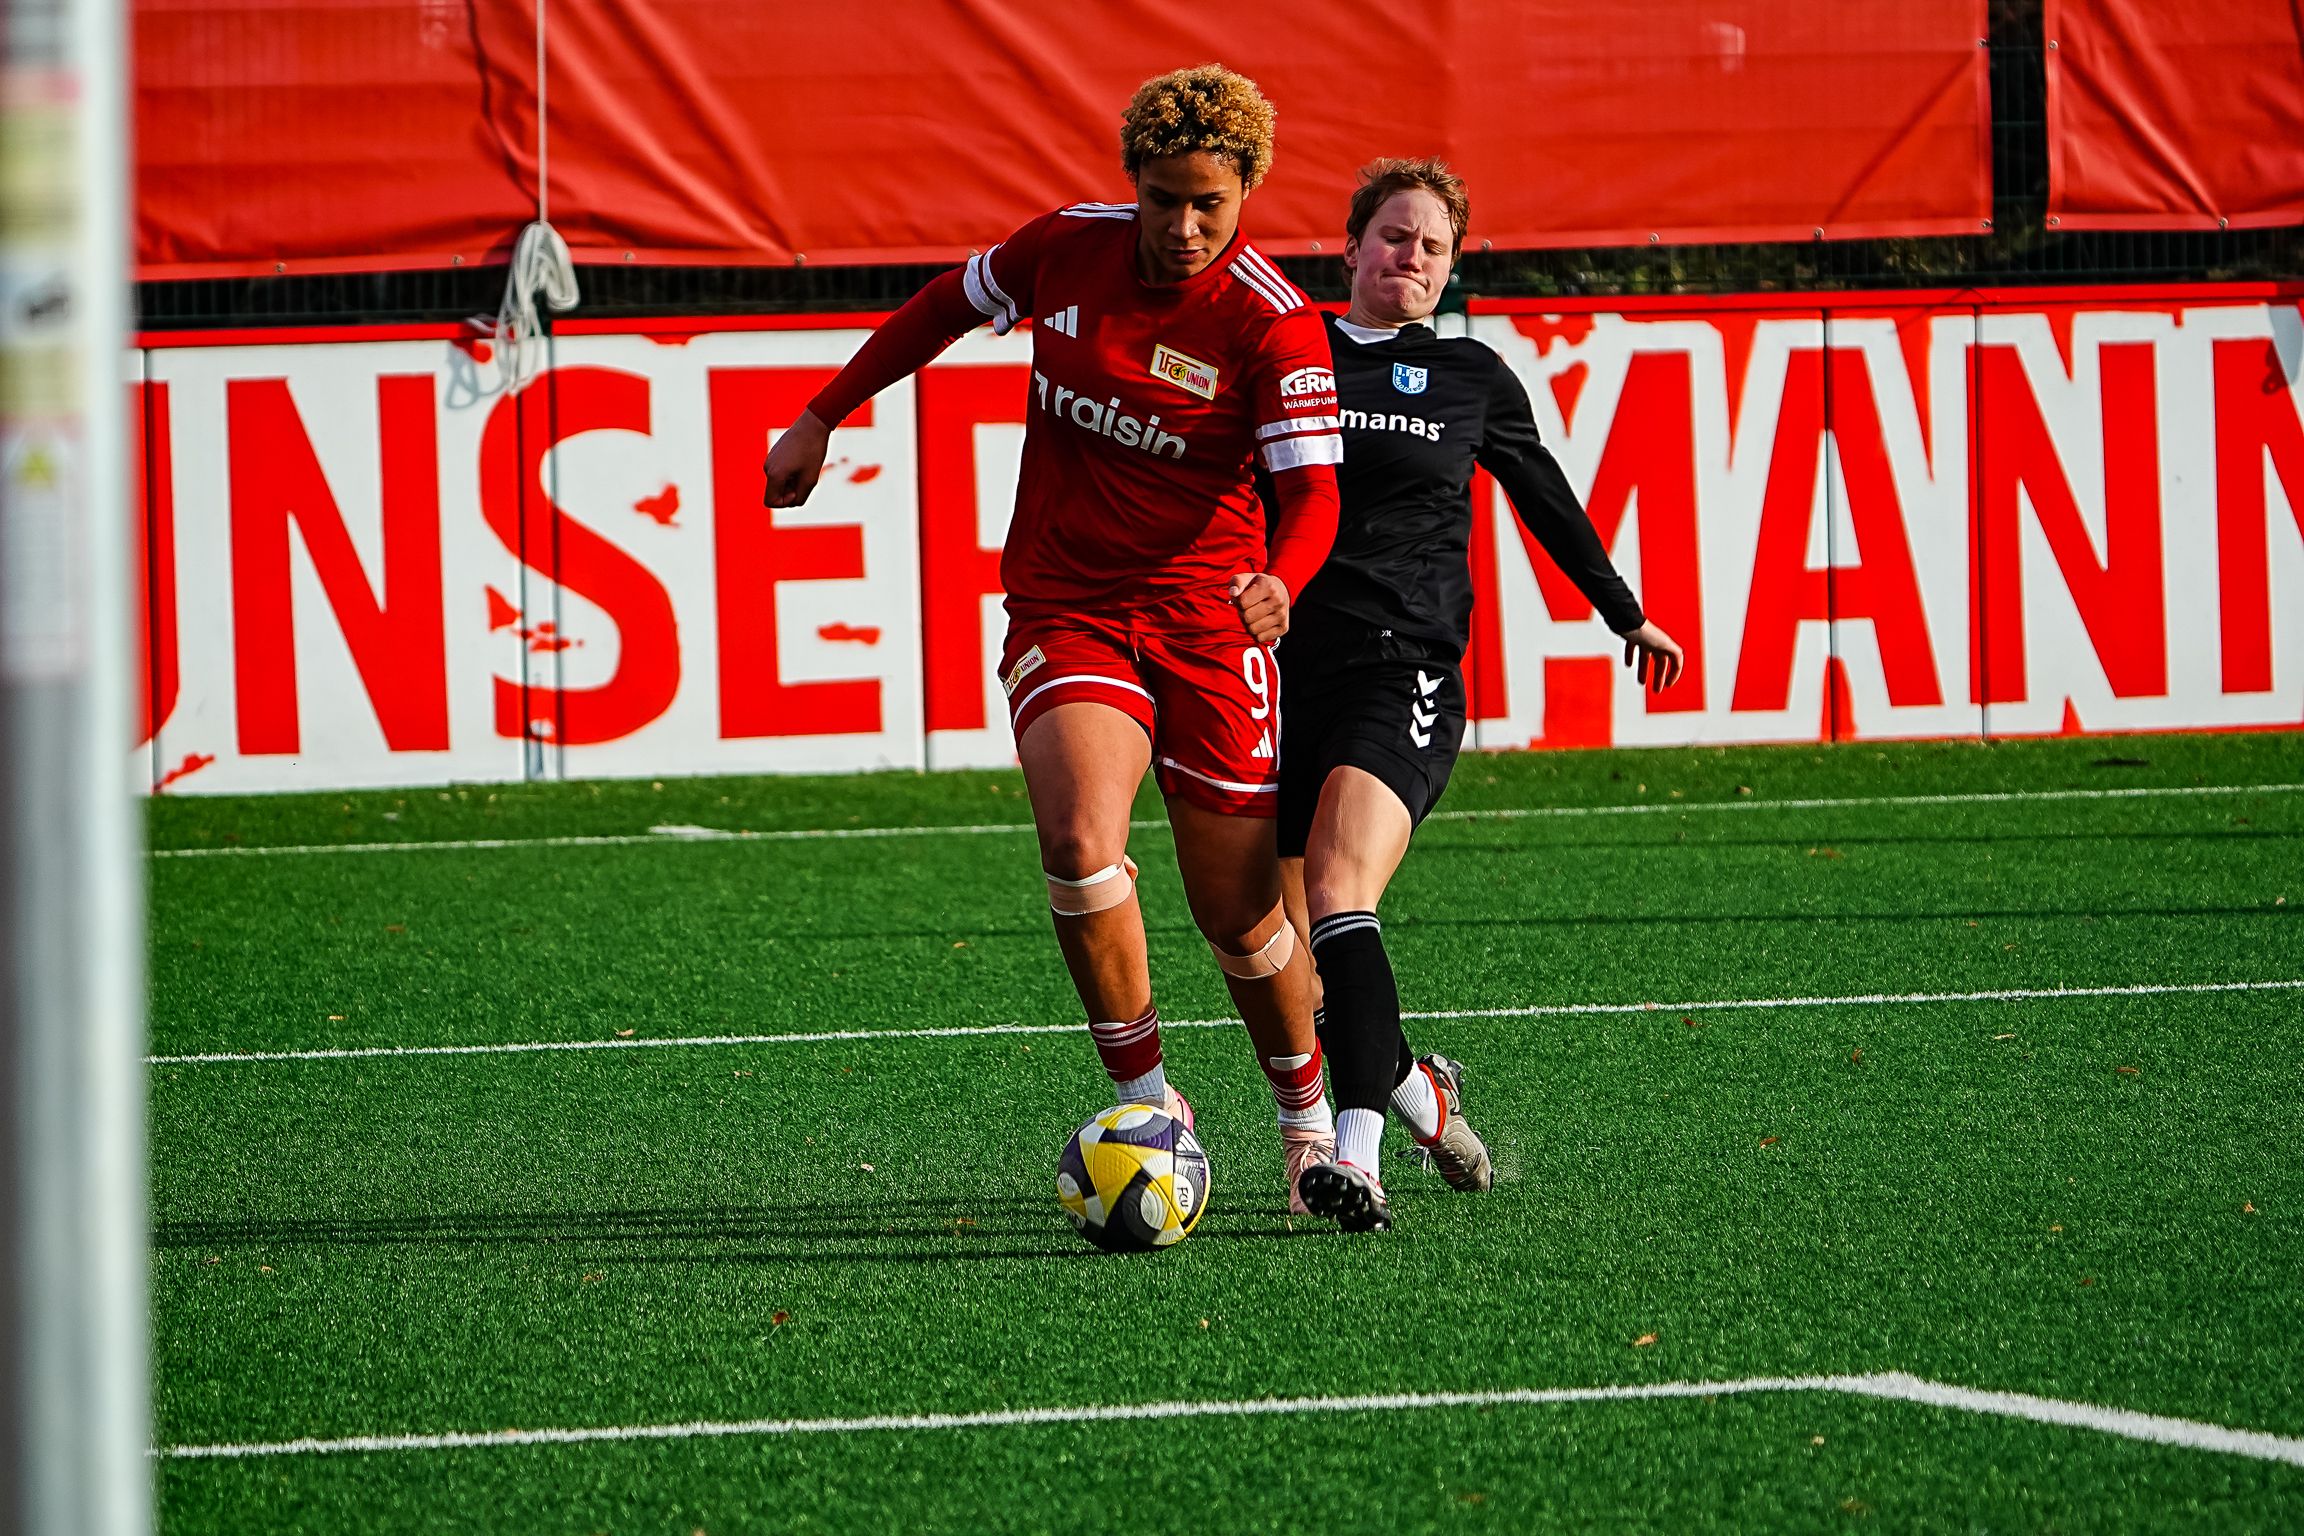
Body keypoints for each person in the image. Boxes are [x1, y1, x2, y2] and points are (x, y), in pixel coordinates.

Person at [762, 66, 1345, 1209]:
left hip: (1208, 624)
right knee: (1082, 848)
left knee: (1238, 913)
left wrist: (1285, 575)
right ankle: (1147, 1104)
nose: (1183, 228)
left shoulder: (1276, 322)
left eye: (1208, 206)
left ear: (1248, 196)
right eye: (1164, 198)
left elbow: (1314, 492)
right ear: (1132, 182)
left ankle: (1304, 1116)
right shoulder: (1062, 250)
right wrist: (823, 412)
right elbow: (940, 306)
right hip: (1067, 604)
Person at [1283, 159, 1684, 1232]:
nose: (1410, 258)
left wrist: (1620, 607)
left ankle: (1356, 1159)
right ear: (1351, 246)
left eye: (1432, 247)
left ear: (1451, 269)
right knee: (1293, 962)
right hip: (1283, 675)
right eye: (1393, 236)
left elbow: (1542, 493)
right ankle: (1423, 1096)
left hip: (1403, 666)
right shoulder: (1292, 354)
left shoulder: (1468, 373)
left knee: (1338, 890)